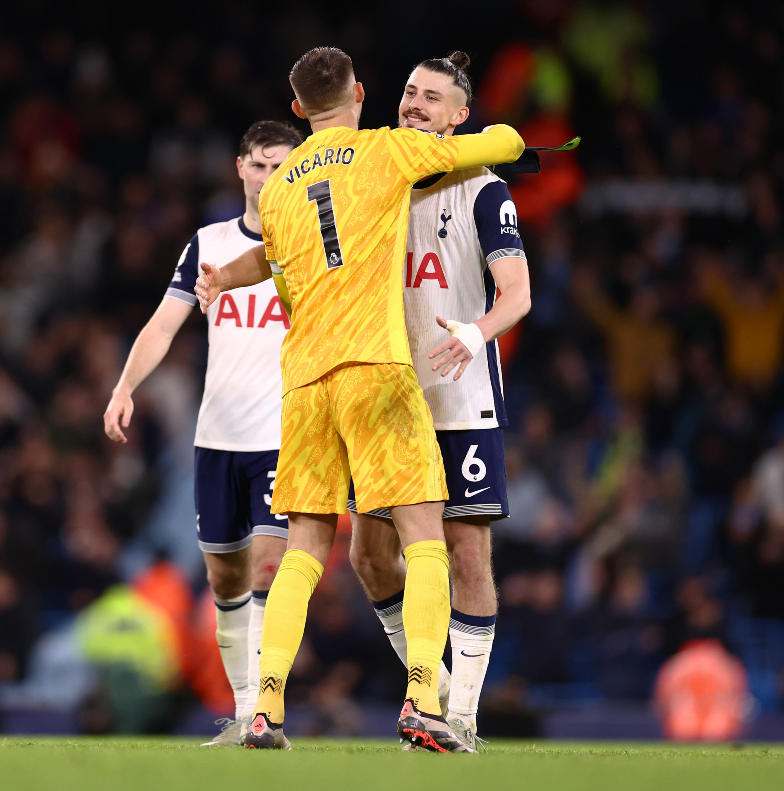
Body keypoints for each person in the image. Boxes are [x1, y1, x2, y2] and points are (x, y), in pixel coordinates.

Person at [195, 46, 524, 752]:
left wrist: (225, 276)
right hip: (377, 367)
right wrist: (517, 140)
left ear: (296, 110)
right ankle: (423, 702)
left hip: (305, 383)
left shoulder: (279, 188)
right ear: (363, 93)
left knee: (305, 550)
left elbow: (280, 273)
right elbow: (496, 143)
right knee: (427, 538)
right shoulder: (384, 152)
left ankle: (266, 708)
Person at [346, 52, 532, 750]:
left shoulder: (484, 190)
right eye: (409, 93)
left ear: (460, 116)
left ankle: (463, 715)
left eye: (433, 98)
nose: (415, 105)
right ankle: (442, 688)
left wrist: (473, 333)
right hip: (387, 394)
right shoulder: (375, 183)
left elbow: (518, 293)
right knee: (369, 556)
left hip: (460, 396)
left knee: (467, 554)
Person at [103, 120, 303, 745]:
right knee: (225, 580)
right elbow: (164, 325)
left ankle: (264, 716)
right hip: (216, 438)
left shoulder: (311, 245)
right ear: (240, 167)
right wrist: (124, 386)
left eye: (284, 167)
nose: (271, 178)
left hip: (282, 431)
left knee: (270, 569)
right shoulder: (208, 243)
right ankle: (244, 713)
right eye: (262, 165)